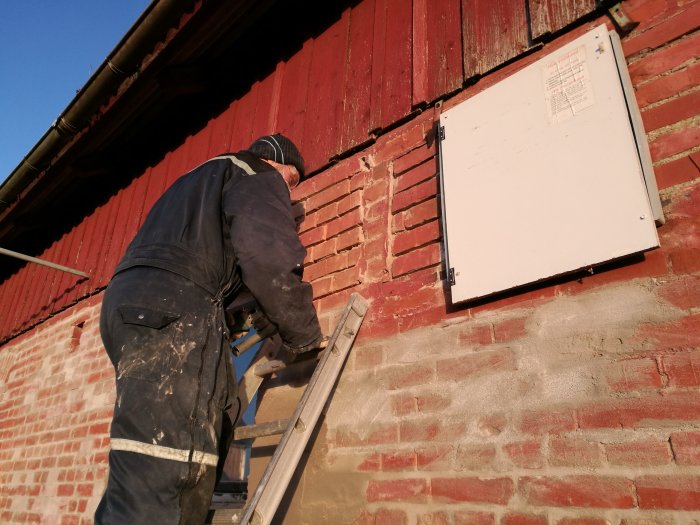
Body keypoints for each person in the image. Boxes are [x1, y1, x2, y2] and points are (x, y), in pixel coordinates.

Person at [95, 134, 324, 524]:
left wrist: (249, 316)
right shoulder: (254, 172)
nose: (287, 195)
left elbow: (219, 259)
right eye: (290, 182)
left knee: (143, 454)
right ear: (274, 163)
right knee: (173, 464)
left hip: (127, 306)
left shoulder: (196, 182)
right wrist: (304, 335)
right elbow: (267, 256)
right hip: (176, 309)